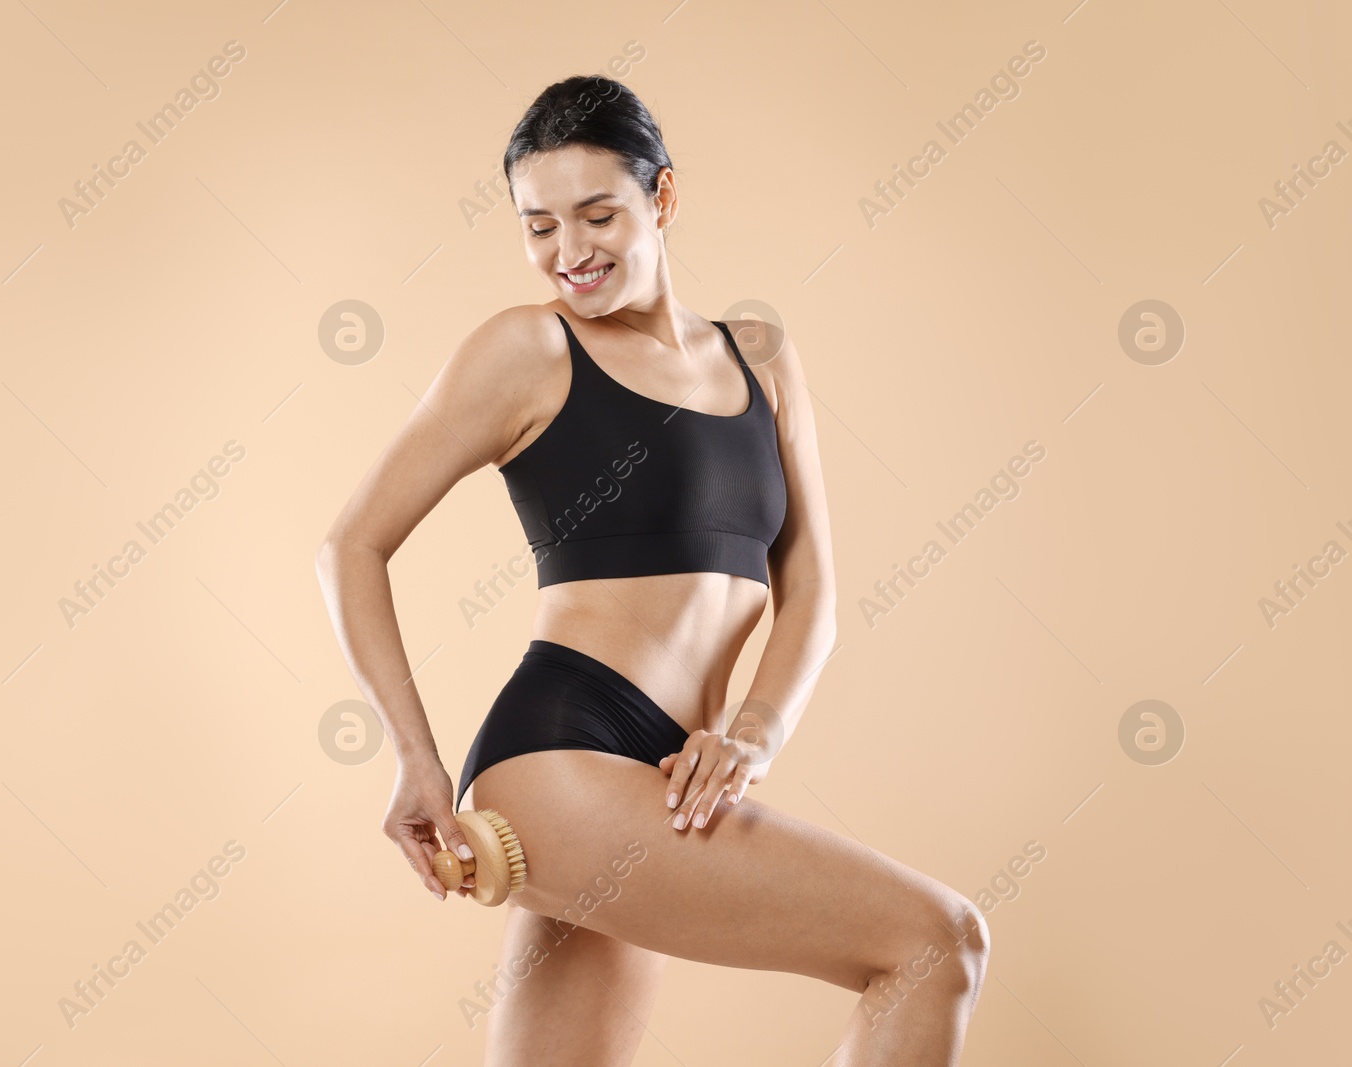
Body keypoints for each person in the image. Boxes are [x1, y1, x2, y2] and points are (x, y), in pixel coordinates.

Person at [316, 74, 989, 1067]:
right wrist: (414, 758)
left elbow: (811, 593)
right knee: (936, 941)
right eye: (537, 226)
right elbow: (351, 543)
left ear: (661, 198)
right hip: (561, 759)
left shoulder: (760, 358)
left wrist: (751, 734)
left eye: (597, 214)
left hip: (661, 778)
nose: (568, 253)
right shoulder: (528, 348)